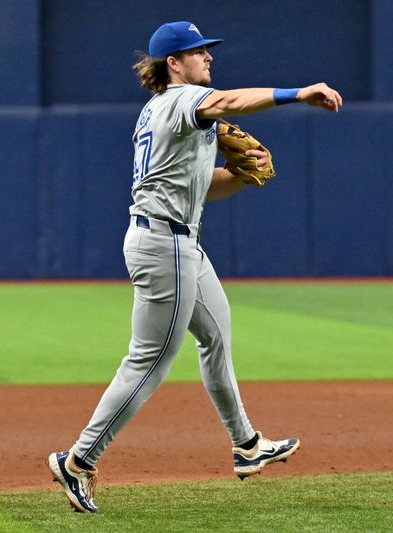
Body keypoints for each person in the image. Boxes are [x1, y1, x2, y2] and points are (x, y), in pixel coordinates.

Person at [47, 20, 343, 513]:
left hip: (178, 242)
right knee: (149, 361)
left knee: (217, 338)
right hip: (165, 245)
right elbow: (226, 102)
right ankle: (78, 460)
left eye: (207, 50)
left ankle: (247, 445)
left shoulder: (166, 112)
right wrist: (299, 93)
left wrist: (243, 176)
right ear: (174, 63)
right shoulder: (182, 101)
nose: (207, 57)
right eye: (197, 51)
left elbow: (202, 186)